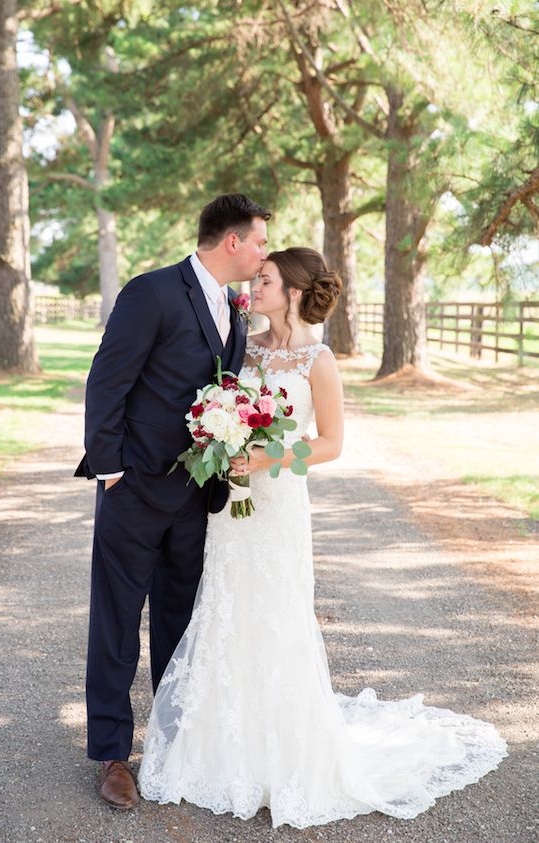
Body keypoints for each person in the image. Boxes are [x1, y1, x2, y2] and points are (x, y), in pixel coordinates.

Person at [138, 247, 507, 829]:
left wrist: (267, 458)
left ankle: (282, 755)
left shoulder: (319, 360)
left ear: (291, 292)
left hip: (278, 502)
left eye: (265, 280)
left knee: (275, 613)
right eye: (256, 277)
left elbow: (332, 443)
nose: (254, 285)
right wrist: (224, 440)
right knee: (226, 609)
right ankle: (218, 749)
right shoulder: (244, 346)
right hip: (231, 499)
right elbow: (220, 406)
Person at [75, 193, 271, 810]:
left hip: (197, 496)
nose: (265, 252)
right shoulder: (153, 291)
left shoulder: (235, 310)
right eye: (261, 241)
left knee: (180, 624)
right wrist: (110, 471)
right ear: (233, 241)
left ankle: (168, 743)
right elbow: (108, 380)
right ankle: (111, 753)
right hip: (133, 489)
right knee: (116, 624)